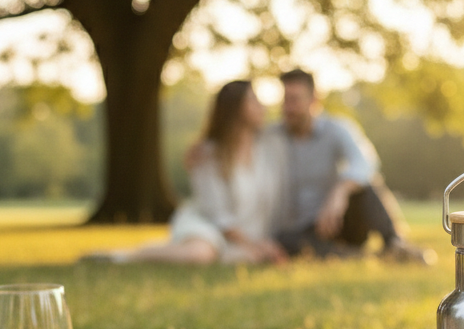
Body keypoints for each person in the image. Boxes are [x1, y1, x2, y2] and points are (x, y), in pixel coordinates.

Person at [102, 80, 288, 265]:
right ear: (235, 106)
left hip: (245, 234)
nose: (261, 106)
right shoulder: (208, 155)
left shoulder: (268, 148)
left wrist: (259, 244)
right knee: (200, 254)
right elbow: (218, 215)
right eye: (253, 99)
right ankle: (123, 257)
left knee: (248, 257)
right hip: (207, 224)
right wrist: (253, 244)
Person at [272, 69, 426, 262]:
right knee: (286, 240)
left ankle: (395, 244)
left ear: (314, 100)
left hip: (338, 221)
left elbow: (366, 162)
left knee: (367, 184)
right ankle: (359, 258)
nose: (288, 108)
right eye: (285, 100)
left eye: (294, 100)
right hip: (301, 229)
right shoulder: (273, 137)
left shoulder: (337, 129)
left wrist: (339, 192)